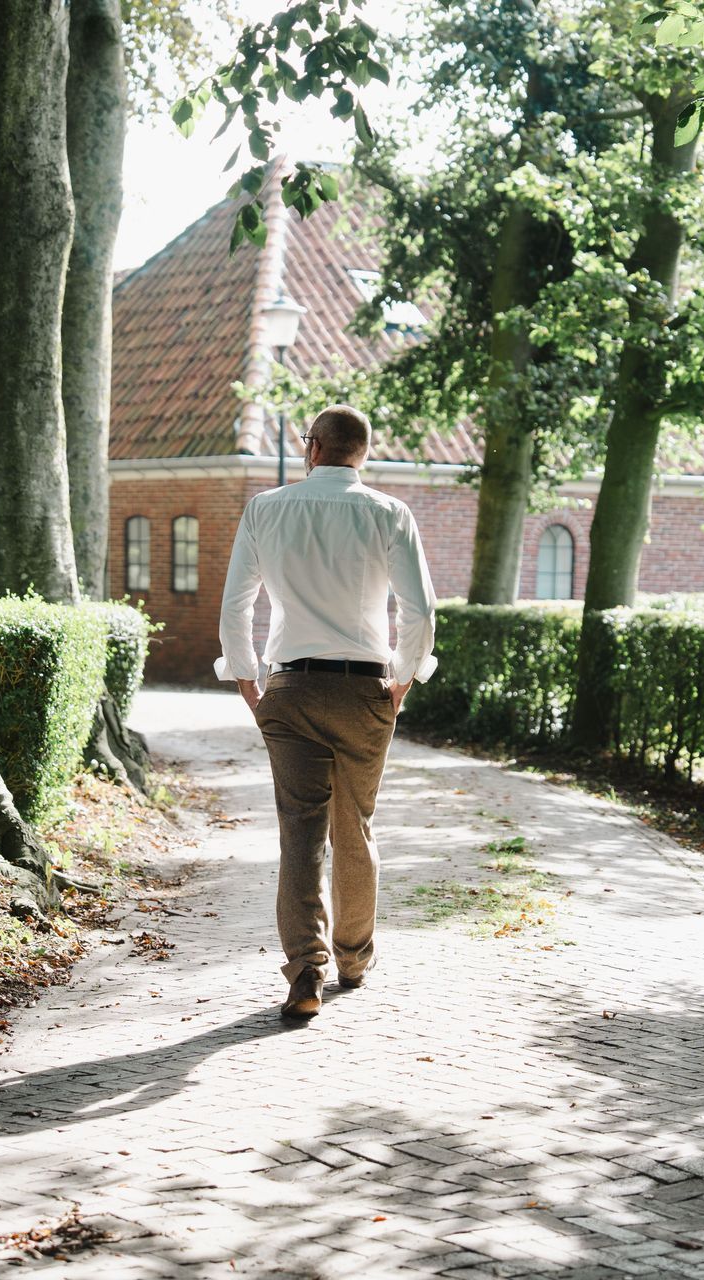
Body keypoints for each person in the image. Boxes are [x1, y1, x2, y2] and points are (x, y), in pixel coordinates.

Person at [216, 404, 439, 1019]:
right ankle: (353, 958)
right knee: (355, 827)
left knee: (300, 832)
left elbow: (237, 606)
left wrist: (245, 679)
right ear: (362, 453)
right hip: (364, 688)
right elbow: (418, 613)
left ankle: (305, 974)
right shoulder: (390, 514)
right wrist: (402, 681)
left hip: (290, 687)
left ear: (312, 447)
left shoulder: (266, 508)